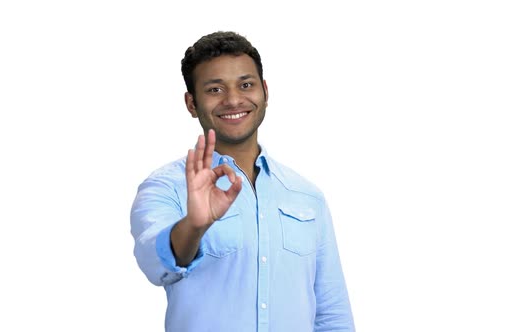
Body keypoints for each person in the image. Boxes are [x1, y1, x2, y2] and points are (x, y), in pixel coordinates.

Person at [130, 31, 355, 332]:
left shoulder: (306, 196)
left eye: (246, 85)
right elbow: (153, 263)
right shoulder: (165, 187)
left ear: (264, 91)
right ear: (191, 103)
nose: (234, 99)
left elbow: (331, 314)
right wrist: (194, 225)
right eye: (214, 89)